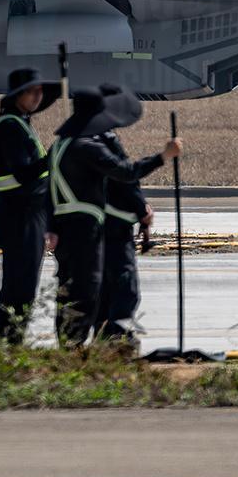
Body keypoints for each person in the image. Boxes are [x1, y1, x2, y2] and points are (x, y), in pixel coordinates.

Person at [47, 84, 180, 346]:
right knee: (97, 289)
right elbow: (126, 173)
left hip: (66, 228)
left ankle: (70, 344)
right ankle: (104, 342)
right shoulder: (89, 147)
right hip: (87, 230)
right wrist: (163, 157)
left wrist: (49, 225)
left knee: (73, 288)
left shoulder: (59, 146)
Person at [0, 68, 58, 346]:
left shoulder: (21, 123)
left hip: (30, 213)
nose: (39, 97)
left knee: (26, 285)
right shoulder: (9, 127)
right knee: (18, 285)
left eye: (40, 92)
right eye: (33, 91)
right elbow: (25, 173)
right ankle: (9, 342)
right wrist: (52, 157)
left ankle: (15, 340)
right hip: (18, 214)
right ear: (18, 95)